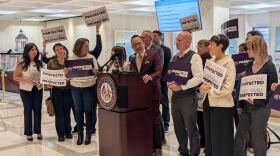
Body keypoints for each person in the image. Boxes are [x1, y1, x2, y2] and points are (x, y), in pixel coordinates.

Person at [234, 36, 278, 156]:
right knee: (239, 136)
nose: (247, 51)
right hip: (247, 107)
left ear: (257, 49)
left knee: (258, 139)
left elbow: (273, 91)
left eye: (249, 49)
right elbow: (244, 85)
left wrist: (257, 102)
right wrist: (240, 104)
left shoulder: (270, 66)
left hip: (261, 108)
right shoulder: (249, 65)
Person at [199, 34, 236, 156]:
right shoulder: (210, 61)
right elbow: (206, 81)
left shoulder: (229, 62)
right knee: (209, 135)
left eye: (211, 44)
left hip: (223, 106)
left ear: (220, 46)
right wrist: (202, 87)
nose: (209, 46)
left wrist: (210, 91)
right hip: (208, 103)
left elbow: (228, 88)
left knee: (221, 137)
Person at [168, 31, 203, 156]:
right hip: (176, 97)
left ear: (188, 42)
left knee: (191, 127)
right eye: (176, 39)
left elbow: (199, 77)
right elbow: (171, 74)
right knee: (178, 127)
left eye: (179, 40)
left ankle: (194, 152)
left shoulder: (194, 57)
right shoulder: (175, 57)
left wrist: (182, 86)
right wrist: (170, 82)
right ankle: (183, 151)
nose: (176, 42)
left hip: (188, 97)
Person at [129, 35, 162, 156]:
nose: (137, 46)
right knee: (142, 121)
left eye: (139, 43)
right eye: (134, 45)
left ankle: (157, 147)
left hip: (152, 93)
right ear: (132, 47)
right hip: (138, 96)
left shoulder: (153, 55)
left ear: (143, 43)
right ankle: (145, 144)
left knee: (155, 121)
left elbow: (159, 71)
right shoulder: (132, 58)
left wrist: (151, 76)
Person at [67, 38, 98, 145]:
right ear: (79, 46)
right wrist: (66, 72)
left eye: (88, 46)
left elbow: (96, 72)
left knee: (89, 110)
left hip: (89, 87)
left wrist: (95, 71)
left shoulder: (91, 57)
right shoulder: (71, 58)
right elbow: (67, 76)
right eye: (86, 46)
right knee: (78, 110)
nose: (88, 48)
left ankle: (88, 134)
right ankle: (80, 135)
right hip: (75, 87)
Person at [13, 43, 43, 141]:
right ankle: (28, 133)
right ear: (27, 51)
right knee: (28, 110)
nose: (34, 51)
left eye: (35, 49)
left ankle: (38, 131)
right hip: (25, 90)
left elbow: (43, 75)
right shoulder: (22, 62)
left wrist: (42, 82)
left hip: (38, 89)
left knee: (38, 110)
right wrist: (26, 80)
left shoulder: (39, 62)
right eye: (32, 50)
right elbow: (15, 77)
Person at [47, 43, 73, 142]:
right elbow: (48, 76)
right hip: (57, 91)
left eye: (61, 48)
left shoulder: (69, 62)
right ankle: (60, 134)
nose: (60, 51)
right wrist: (49, 83)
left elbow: (74, 75)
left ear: (64, 49)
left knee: (67, 112)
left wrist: (69, 73)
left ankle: (68, 132)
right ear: (55, 52)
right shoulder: (51, 62)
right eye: (57, 50)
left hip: (68, 90)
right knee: (59, 113)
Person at [153, 30, 172, 133]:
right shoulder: (151, 49)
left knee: (164, 102)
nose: (153, 37)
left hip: (163, 80)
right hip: (154, 80)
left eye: (155, 36)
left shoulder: (166, 50)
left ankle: (166, 123)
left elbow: (167, 66)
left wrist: (162, 79)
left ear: (160, 37)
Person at [196, 39, 211, 150]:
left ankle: (208, 142)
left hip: (207, 93)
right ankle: (202, 140)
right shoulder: (196, 59)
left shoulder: (211, 60)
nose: (198, 47)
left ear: (207, 47)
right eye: (197, 45)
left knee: (207, 119)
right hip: (196, 92)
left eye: (200, 45)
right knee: (199, 118)